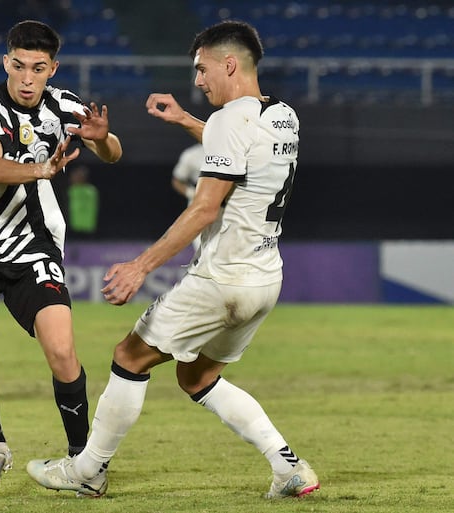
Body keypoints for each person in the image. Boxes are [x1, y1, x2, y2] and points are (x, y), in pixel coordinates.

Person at [27, 20, 320, 499]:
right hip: (265, 278)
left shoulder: (230, 121)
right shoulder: (282, 115)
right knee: (197, 375)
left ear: (229, 63)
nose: (199, 80)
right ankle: (288, 466)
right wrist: (187, 121)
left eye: (202, 69)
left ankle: (86, 472)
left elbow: (204, 207)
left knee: (129, 356)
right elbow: (244, 147)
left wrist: (140, 266)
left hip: (222, 279)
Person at [0, 20, 122, 488]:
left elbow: (113, 154)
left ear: (52, 69)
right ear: (6, 62)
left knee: (62, 351)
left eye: (37, 68)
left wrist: (101, 138)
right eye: (18, 66)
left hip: (35, 247)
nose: (26, 78)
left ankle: (84, 464)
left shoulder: (64, 105)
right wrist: (41, 167)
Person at [171, 142, 205, 250]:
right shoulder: (191, 154)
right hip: (199, 201)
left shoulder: (229, 150)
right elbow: (177, 180)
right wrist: (191, 193)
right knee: (200, 244)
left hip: (226, 202)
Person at [67, 165, 99, 239]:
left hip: (86, 228)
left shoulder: (90, 191)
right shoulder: (71, 190)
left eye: (77, 176)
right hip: (73, 227)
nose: (73, 178)